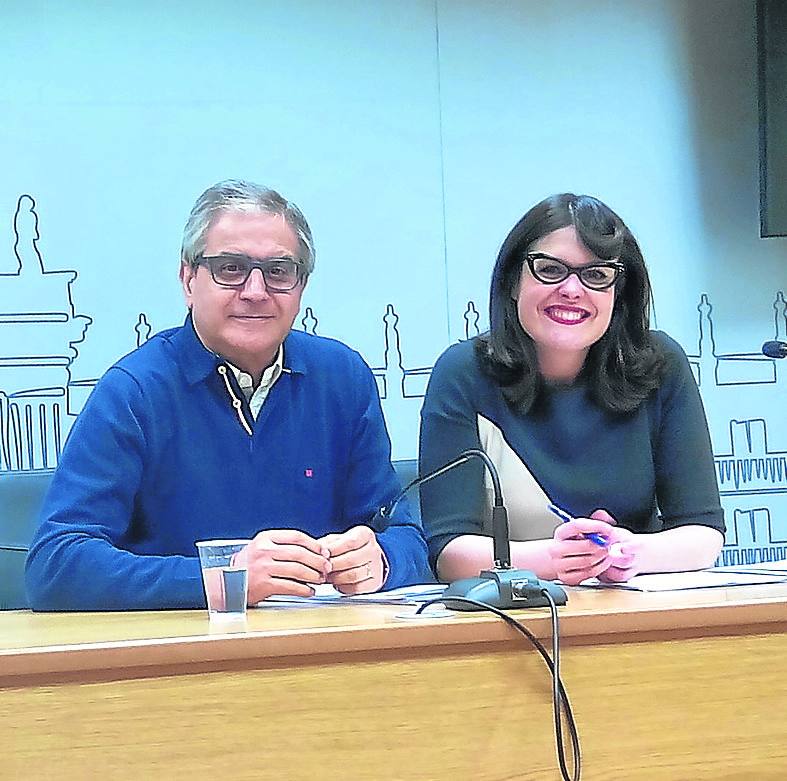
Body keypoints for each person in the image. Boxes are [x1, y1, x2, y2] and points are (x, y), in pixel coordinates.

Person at [26, 179, 432, 610]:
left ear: (301, 288)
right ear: (188, 280)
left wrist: (381, 561)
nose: (256, 291)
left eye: (278, 272)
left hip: (320, 651)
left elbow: (406, 538)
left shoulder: (342, 378)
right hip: (185, 660)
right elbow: (56, 565)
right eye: (230, 269)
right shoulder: (134, 391)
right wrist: (223, 579)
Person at [419, 194, 725, 586]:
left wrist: (629, 552)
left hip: (633, 609)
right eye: (549, 270)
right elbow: (449, 552)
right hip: (512, 619)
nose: (571, 290)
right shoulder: (464, 372)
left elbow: (703, 533)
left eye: (596, 275)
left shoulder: (660, 363)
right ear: (513, 282)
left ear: (618, 295)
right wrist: (555, 558)